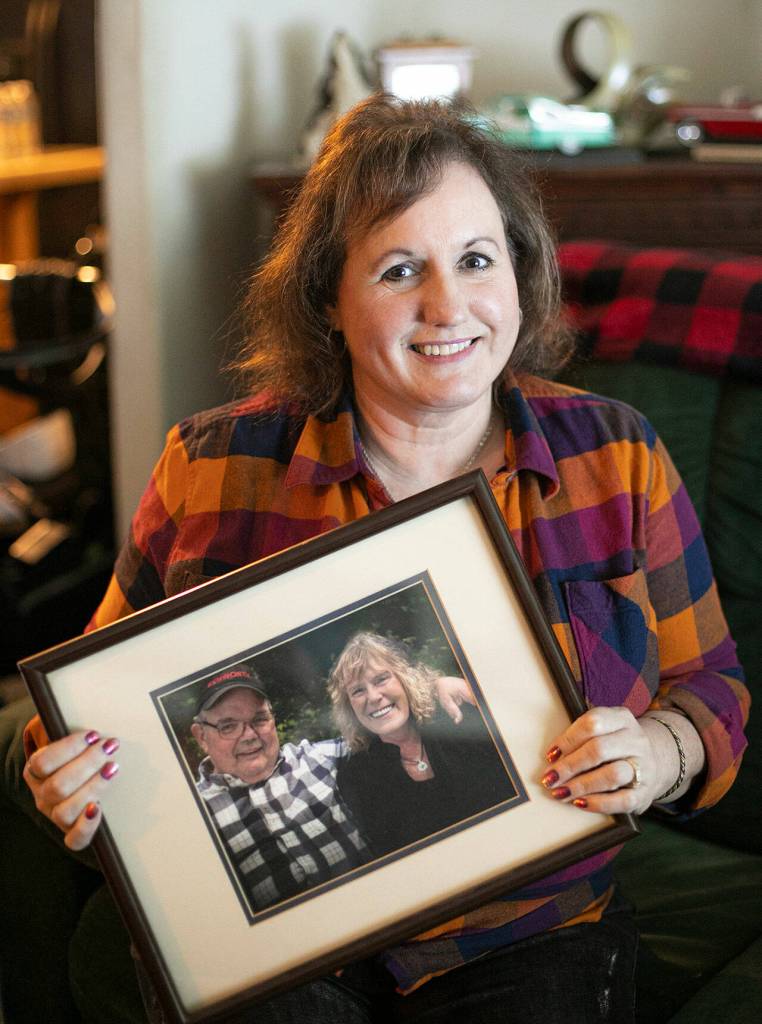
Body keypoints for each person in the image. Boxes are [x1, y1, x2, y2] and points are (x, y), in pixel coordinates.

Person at [21, 94, 748, 1022]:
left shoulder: (617, 453)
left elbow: (712, 685)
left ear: (519, 276)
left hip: (536, 927)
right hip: (279, 942)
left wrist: (659, 748)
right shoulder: (212, 470)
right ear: (328, 297)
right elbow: (93, 703)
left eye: (477, 260)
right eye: (400, 270)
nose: (448, 305)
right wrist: (65, 769)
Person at [189, 665, 370, 913]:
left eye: (259, 719)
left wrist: (437, 687)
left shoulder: (321, 759)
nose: (250, 735)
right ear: (201, 737)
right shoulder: (192, 818)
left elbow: (390, 732)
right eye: (228, 726)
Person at [329, 632, 515, 858]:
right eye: (358, 691)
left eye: (381, 679)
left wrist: (471, 690)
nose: (373, 696)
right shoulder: (356, 776)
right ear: (349, 707)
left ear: (404, 679)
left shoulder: (454, 718)